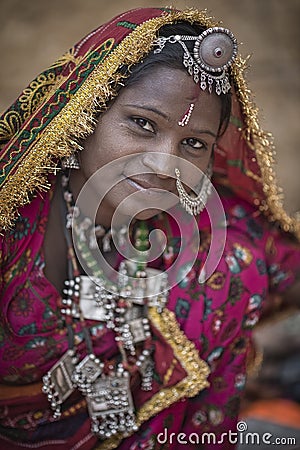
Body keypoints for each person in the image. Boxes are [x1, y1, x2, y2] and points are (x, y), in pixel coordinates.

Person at [0, 6, 299, 450]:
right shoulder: (11, 223)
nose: (165, 163)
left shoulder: (215, 232)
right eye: (142, 124)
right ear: (84, 113)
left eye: (193, 144)